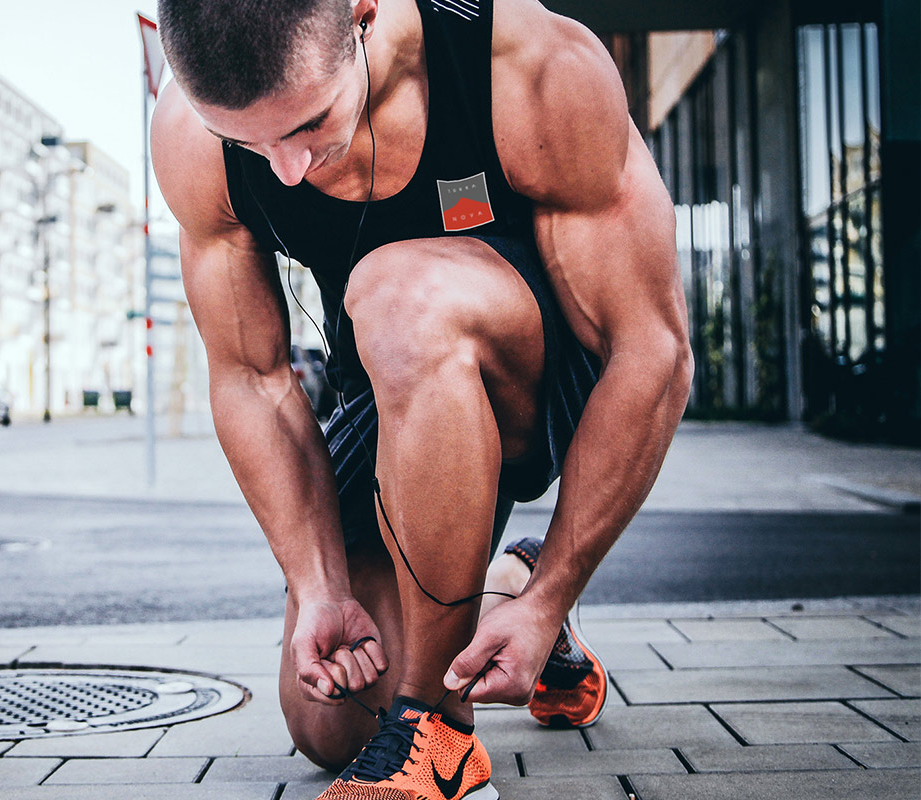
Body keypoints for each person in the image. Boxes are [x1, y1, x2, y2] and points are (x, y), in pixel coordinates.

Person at [152, 0, 692, 797]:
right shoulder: (191, 131)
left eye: (307, 123)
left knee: (399, 292)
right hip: (394, 389)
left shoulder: (523, 61)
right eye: (248, 143)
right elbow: (251, 377)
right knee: (331, 723)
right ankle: (503, 583)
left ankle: (440, 738)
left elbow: (654, 351)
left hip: (550, 378)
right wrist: (318, 587)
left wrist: (558, 594)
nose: (286, 171)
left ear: (363, 14)